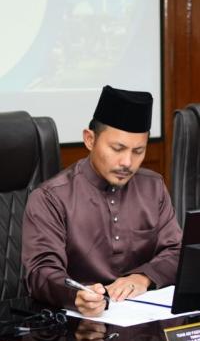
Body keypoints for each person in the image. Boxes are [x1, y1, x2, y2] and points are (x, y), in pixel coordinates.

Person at [22, 86, 182, 317]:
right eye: (117, 149)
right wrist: (76, 295)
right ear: (90, 139)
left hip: (144, 317)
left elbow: (177, 251)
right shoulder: (51, 197)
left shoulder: (153, 186)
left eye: (138, 151)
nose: (127, 162)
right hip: (80, 321)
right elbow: (40, 272)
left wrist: (144, 277)